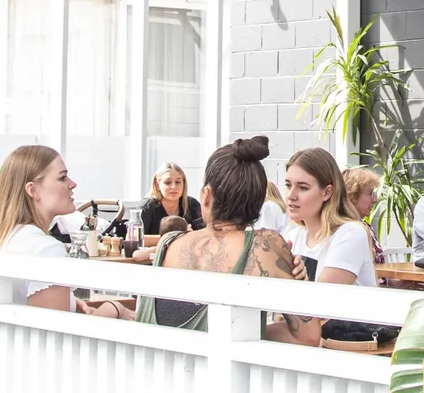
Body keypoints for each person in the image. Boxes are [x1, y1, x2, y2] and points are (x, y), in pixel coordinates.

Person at [151, 136, 318, 342]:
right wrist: (242, 330)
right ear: (259, 203)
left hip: (153, 369)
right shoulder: (265, 247)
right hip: (220, 371)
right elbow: (308, 337)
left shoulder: (167, 243)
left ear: (206, 196)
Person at [0, 145, 132, 316]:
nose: (72, 184)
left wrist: (69, 302)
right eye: (62, 178)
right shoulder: (44, 249)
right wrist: (113, 309)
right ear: (33, 190)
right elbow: (59, 337)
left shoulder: (4, 237)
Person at [282, 147, 378, 288]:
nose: (291, 195)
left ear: (327, 193)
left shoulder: (350, 234)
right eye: (288, 185)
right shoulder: (293, 236)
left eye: (303, 187)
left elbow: (324, 302)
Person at [124, 163, 203, 255]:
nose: (173, 187)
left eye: (178, 182)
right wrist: (176, 237)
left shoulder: (192, 204)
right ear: (157, 185)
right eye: (168, 182)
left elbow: (206, 234)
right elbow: (131, 238)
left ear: (184, 184)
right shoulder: (148, 207)